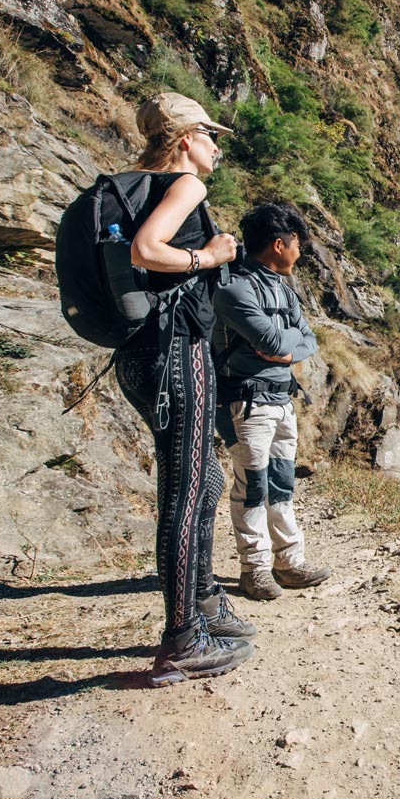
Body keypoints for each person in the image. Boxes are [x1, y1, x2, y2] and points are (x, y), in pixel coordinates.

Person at [117, 92, 256, 686]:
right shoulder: (185, 186)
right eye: (208, 134)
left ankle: (202, 605)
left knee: (205, 479)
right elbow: (146, 249)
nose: (216, 146)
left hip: (142, 356)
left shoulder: (128, 188)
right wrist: (209, 255)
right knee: (185, 491)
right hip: (175, 355)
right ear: (182, 140)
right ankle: (181, 639)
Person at [213, 203, 332, 600]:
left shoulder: (282, 287)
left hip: (281, 399)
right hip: (245, 403)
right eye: (298, 243)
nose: (301, 251)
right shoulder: (233, 290)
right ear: (280, 244)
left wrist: (287, 352)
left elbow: (307, 340)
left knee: (281, 483)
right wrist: (287, 347)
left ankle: (290, 562)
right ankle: (255, 569)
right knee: (252, 486)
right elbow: (275, 341)